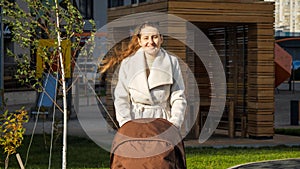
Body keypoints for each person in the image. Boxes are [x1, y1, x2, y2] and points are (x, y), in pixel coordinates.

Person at [101, 22, 187, 129]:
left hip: (163, 123)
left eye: (154, 37)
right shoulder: (128, 63)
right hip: (135, 122)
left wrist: (174, 124)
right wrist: (126, 124)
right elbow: (121, 97)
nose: (150, 42)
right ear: (139, 41)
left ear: (161, 39)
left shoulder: (172, 62)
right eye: (146, 38)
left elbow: (178, 97)